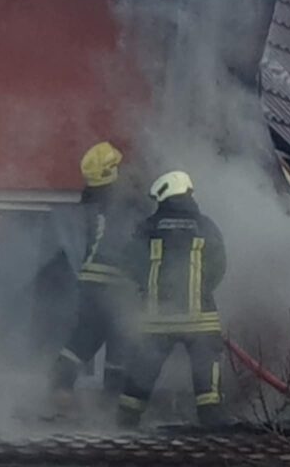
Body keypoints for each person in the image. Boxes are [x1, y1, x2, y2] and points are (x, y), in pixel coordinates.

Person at [117, 170, 228, 428]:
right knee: (205, 371)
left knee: (143, 367)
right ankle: (211, 425)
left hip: (157, 319)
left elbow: (129, 262)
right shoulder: (206, 226)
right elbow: (219, 265)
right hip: (200, 318)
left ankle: (125, 422)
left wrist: (148, 286)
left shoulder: (148, 227)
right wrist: (202, 290)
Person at [48, 141, 137, 409]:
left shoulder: (92, 202)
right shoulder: (127, 203)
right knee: (119, 345)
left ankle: (57, 396)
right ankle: (111, 409)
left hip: (90, 286)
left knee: (81, 341)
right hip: (116, 286)